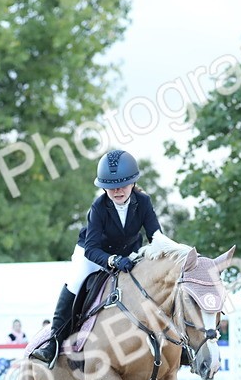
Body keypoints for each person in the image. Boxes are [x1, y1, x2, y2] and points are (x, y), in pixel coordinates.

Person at [30, 149, 164, 363]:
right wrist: (112, 260)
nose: (117, 190)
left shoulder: (144, 202)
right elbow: (92, 249)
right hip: (92, 256)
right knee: (74, 282)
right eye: (111, 187)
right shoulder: (99, 207)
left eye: (122, 185)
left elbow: (156, 236)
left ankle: (174, 340)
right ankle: (54, 342)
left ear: (132, 183)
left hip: (128, 253)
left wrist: (175, 253)